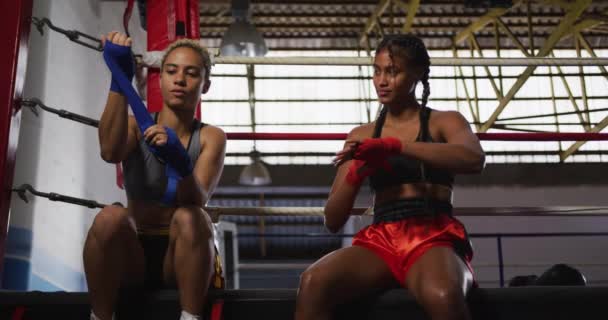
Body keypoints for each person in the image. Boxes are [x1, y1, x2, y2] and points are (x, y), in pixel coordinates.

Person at [295, 34, 485, 320]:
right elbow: (333, 220)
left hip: (432, 235)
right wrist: (357, 174)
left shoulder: (444, 121)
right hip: (381, 239)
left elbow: (474, 159)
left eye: (393, 71)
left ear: (418, 73)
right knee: (313, 282)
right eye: (377, 70)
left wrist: (396, 146)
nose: (382, 80)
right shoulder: (361, 135)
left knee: (443, 294)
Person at [83, 31, 226, 320]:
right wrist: (119, 80)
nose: (180, 80)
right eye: (171, 71)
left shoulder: (211, 136)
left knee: (192, 216)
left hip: (184, 254)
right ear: (159, 79)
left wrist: (181, 161)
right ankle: (100, 318)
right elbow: (109, 152)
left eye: (191, 73)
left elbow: (196, 199)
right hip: (133, 252)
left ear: (205, 85)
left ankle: (190, 317)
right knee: (110, 216)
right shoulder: (136, 125)